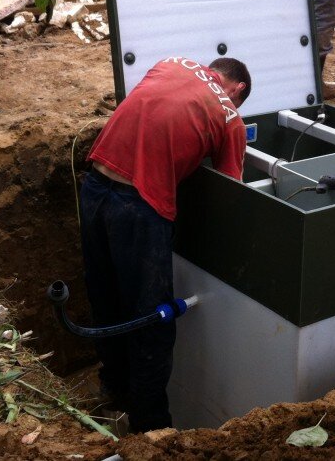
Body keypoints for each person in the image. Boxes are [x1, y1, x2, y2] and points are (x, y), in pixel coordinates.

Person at [79, 55, 251, 432]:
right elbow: (231, 194)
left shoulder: (172, 63)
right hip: (139, 205)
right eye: (240, 101)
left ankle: (113, 393)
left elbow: (158, 116)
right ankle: (151, 429)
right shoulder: (230, 116)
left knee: (105, 297)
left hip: (95, 184)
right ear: (236, 90)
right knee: (149, 321)